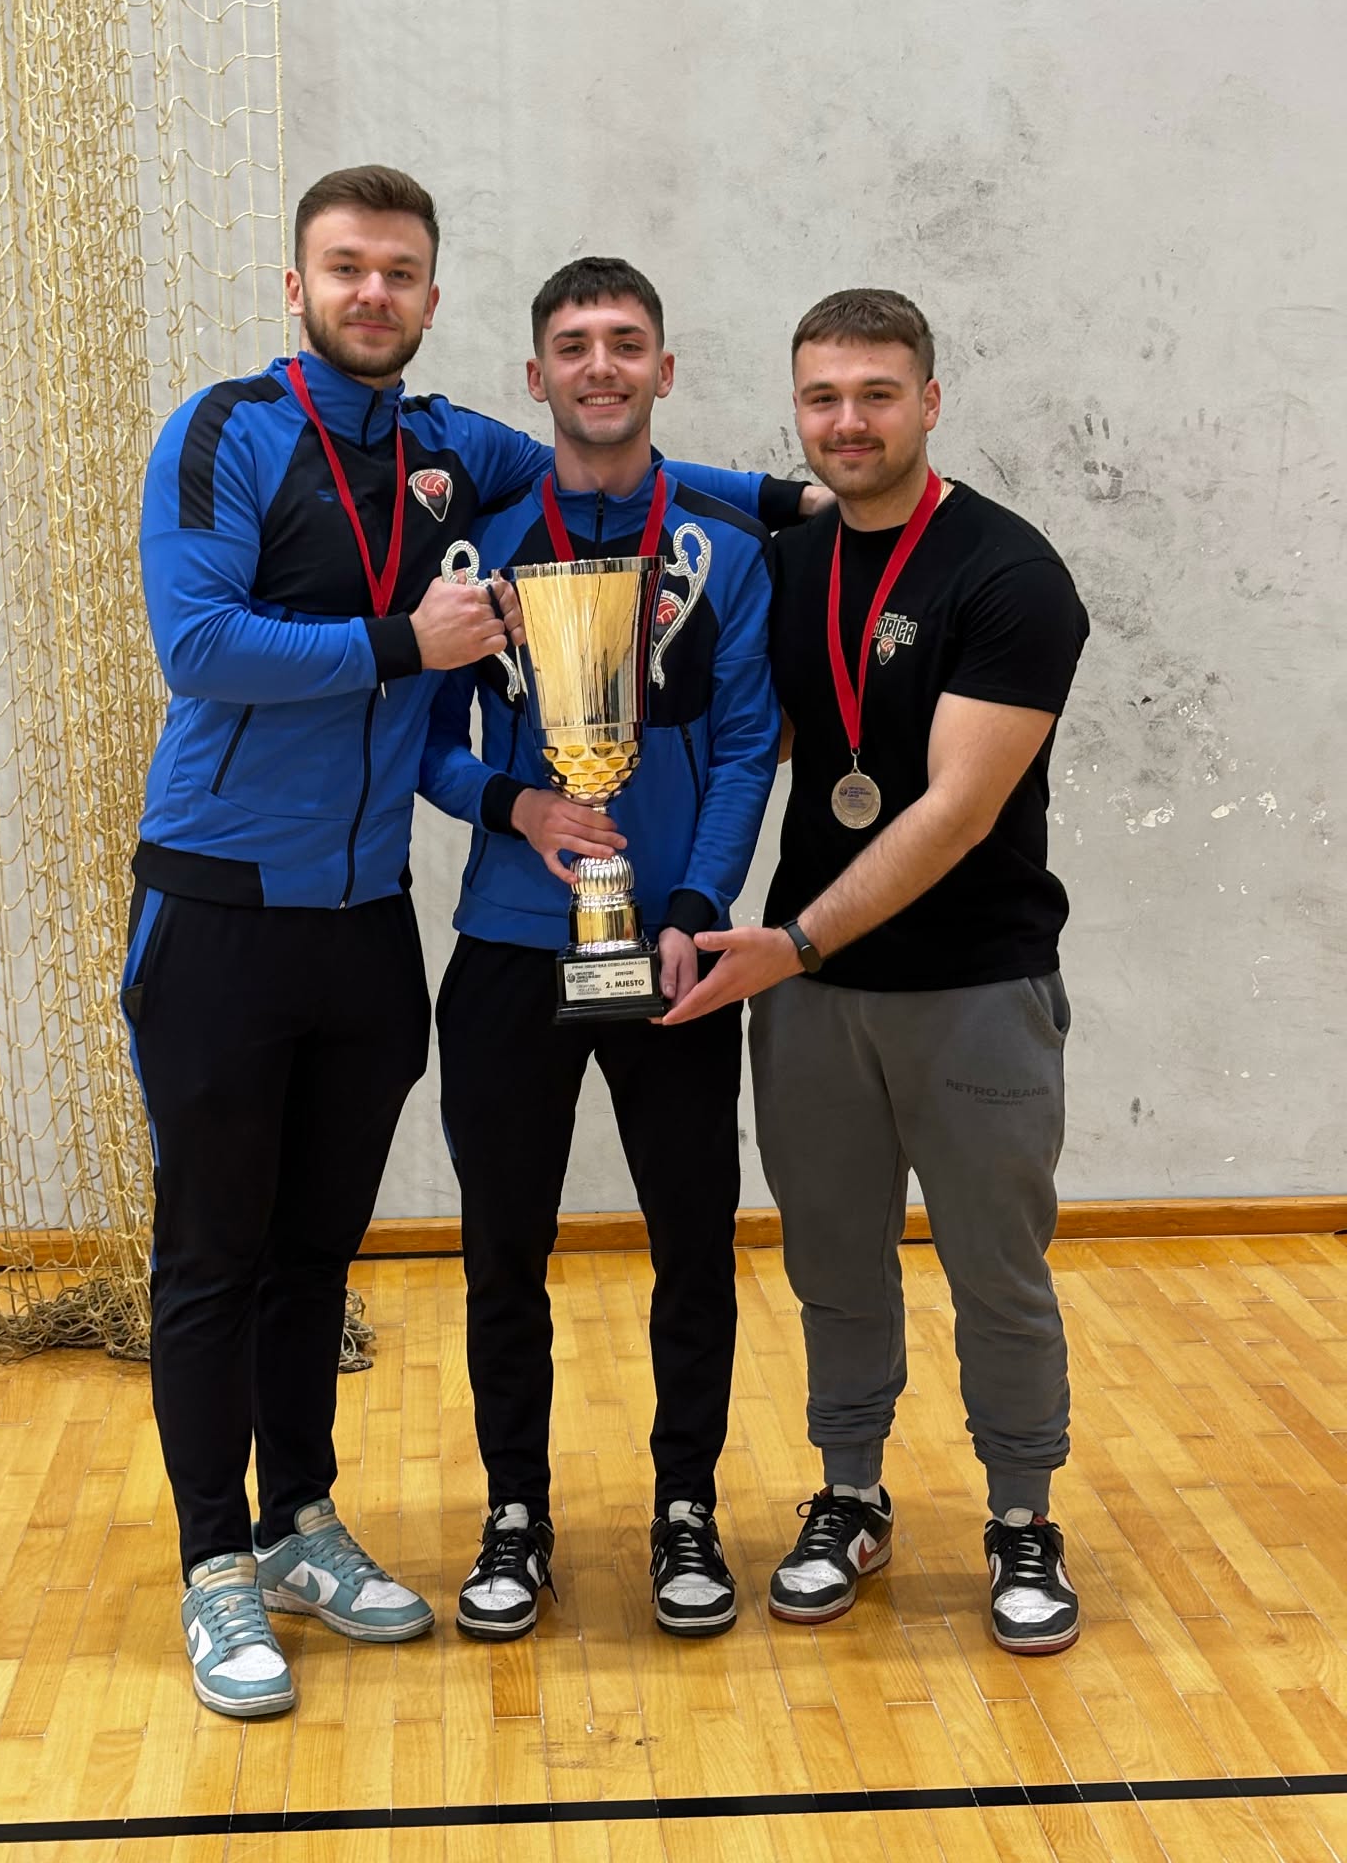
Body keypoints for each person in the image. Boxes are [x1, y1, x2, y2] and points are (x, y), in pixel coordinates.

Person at [124, 168, 818, 1718]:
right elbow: (198, 644)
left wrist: (785, 502)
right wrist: (431, 680)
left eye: (399, 271)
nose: (372, 292)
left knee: (318, 1256)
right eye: (346, 267)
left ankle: (303, 1523)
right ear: (298, 285)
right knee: (216, 1256)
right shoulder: (226, 431)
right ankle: (222, 1562)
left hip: (369, 925)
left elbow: (616, 453)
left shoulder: (453, 449)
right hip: (223, 905)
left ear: (432, 299)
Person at [664, 288, 1090, 1656]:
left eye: (876, 395)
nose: (849, 422)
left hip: (973, 990)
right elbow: (760, 739)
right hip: (812, 1005)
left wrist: (791, 941)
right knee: (834, 1266)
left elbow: (956, 810)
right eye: (823, 398)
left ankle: (1022, 1520)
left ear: (930, 402)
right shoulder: (785, 564)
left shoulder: (1010, 572)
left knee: (996, 1274)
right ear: (798, 412)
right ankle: (849, 1496)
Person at [421, 257, 782, 1643]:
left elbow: (746, 745)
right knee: (502, 1248)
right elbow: (424, 743)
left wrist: (696, 901)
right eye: (573, 346)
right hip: (511, 947)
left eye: (626, 343)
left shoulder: (724, 549)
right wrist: (513, 803)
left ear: (664, 370)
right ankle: (516, 1515)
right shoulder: (481, 551)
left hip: (675, 951)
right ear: (537, 378)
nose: (601, 366)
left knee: (694, 1241)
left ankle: (685, 1505)